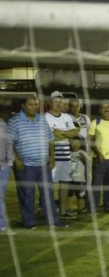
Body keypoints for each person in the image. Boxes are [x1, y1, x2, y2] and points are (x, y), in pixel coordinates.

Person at [9, 96, 67, 228]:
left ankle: (53, 221)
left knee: (48, 194)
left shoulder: (42, 120)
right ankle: (29, 222)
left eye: (36, 105)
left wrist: (52, 157)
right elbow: (9, 144)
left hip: (44, 165)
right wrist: (16, 160)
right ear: (23, 105)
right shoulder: (15, 122)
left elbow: (50, 140)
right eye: (31, 105)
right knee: (27, 196)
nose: (34, 107)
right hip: (25, 166)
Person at [45, 91, 79, 219]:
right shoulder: (45, 117)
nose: (59, 104)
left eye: (61, 102)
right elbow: (51, 136)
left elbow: (75, 131)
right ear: (50, 103)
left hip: (66, 156)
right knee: (50, 186)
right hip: (52, 156)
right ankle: (48, 211)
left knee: (64, 184)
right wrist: (66, 133)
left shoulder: (67, 117)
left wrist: (61, 133)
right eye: (56, 102)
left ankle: (63, 211)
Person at [67, 137, 91, 215]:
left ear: (80, 144)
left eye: (77, 143)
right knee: (68, 195)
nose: (75, 145)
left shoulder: (81, 153)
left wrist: (84, 158)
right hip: (69, 179)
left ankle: (80, 209)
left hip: (79, 179)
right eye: (73, 143)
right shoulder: (68, 153)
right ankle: (67, 209)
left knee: (80, 195)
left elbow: (88, 160)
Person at [0, 117, 15, 234]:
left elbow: (9, 143)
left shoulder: (3, 124)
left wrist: (10, 162)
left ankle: (1, 226)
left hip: (3, 166)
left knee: (1, 197)